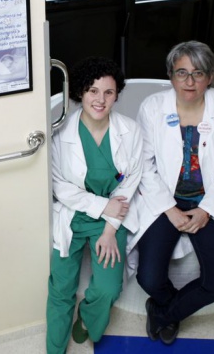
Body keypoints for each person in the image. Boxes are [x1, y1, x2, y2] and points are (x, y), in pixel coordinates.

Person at [129, 41, 214, 345]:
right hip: (164, 201)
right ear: (171, 75)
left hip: (207, 201)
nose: (189, 81)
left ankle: (163, 314)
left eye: (198, 73)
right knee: (149, 278)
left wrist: (207, 209)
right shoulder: (152, 108)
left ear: (210, 77)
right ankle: (169, 308)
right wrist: (169, 209)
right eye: (181, 73)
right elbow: (143, 164)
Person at [46, 57, 143, 353]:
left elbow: (130, 183)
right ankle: (54, 350)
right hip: (72, 215)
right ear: (80, 92)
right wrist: (101, 205)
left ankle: (88, 318)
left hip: (111, 220)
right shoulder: (59, 132)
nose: (100, 100)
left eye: (109, 92)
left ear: (117, 95)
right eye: (93, 91)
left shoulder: (130, 131)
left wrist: (110, 229)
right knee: (61, 289)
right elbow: (59, 184)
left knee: (108, 288)